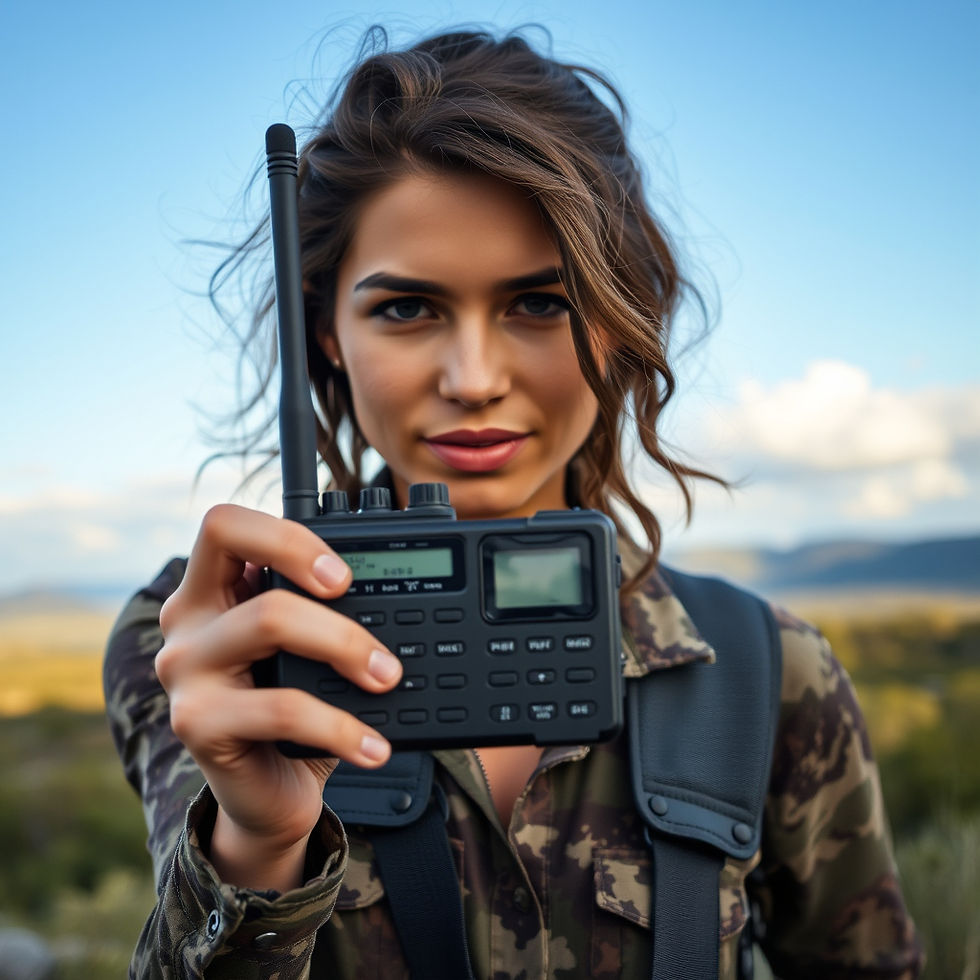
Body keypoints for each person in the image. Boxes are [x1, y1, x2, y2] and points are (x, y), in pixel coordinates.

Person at [104, 27, 924, 979]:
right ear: (324, 330)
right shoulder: (213, 642)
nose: (476, 377)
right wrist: (256, 841)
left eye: (540, 303)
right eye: (406, 308)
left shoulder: (766, 672)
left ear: (619, 324)